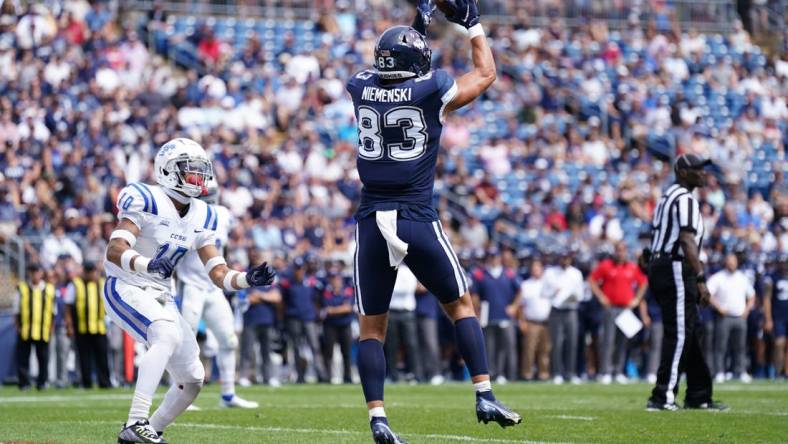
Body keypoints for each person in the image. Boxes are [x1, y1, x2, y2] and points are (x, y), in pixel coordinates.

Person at [345, 1, 521, 441]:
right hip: (414, 216)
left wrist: (418, 25)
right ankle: (483, 392)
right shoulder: (431, 89)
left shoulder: (360, 86)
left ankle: (378, 419)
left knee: (372, 329)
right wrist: (473, 25)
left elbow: (396, 69)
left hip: (371, 220)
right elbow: (485, 74)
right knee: (461, 305)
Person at [103, 138, 275, 443]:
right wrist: (147, 266)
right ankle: (135, 422)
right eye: (190, 170)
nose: (198, 177)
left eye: (200, 170)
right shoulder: (146, 198)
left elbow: (219, 274)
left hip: (160, 295)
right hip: (125, 285)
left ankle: (148, 432)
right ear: (168, 171)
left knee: (193, 379)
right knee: (166, 333)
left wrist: (248, 279)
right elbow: (115, 250)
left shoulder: (204, 214)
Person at [646, 153, 727, 411]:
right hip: (676, 266)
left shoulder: (667, 196)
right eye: (697, 169)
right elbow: (686, 240)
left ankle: (699, 394)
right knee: (680, 332)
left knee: (692, 329)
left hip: (662, 265)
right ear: (683, 173)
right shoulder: (685, 198)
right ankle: (662, 396)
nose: (703, 173)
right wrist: (700, 277)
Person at [174, 178, 258, 408]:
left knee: (228, 340)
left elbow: (225, 247)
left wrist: (230, 273)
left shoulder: (223, 215)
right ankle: (180, 394)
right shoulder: (186, 216)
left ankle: (228, 394)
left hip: (213, 287)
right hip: (191, 285)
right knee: (185, 342)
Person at [589, 241, 648, 384]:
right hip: (610, 308)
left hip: (625, 309)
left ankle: (618, 371)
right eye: (618, 250)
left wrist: (636, 299)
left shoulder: (632, 267)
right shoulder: (606, 265)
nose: (620, 253)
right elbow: (592, 279)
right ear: (614, 251)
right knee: (608, 340)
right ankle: (605, 372)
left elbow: (643, 282)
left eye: (623, 250)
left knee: (622, 342)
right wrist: (601, 297)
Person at [471, 248, 520, 384]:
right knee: (489, 347)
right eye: (491, 256)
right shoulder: (480, 274)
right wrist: (477, 309)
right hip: (488, 315)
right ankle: (491, 373)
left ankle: (508, 373)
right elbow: (474, 293)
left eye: (495, 256)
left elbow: (520, 291)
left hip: (505, 315)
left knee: (507, 346)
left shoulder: (509, 273)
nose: (493, 259)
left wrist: (514, 306)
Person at [707, 253, 756, 383]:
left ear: (737, 262)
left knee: (740, 347)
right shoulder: (718, 277)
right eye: (729, 261)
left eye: (733, 261)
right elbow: (708, 294)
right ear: (725, 262)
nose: (731, 263)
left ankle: (740, 371)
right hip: (724, 316)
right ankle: (720, 372)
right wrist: (719, 308)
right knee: (720, 346)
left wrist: (747, 310)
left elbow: (751, 296)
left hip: (740, 316)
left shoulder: (742, 278)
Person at [279, 256, 328, 383]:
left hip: (309, 318)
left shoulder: (312, 282)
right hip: (293, 318)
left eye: (300, 269)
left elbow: (318, 298)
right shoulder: (287, 283)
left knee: (315, 347)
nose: (299, 271)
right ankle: (300, 376)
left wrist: (317, 314)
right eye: (297, 269)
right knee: (296, 348)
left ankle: (321, 375)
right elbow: (282, 301)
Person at [64, 261, 111, 389]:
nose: (90, 274)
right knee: (84, 357)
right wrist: (69, 326)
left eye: (92, 271)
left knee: (102, 356)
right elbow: (67, 306)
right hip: (82, 327)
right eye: (88, 271)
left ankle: (105, 382)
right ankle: (86, 383)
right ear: (83, 271)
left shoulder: (102, 283)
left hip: (99, 327)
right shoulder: (75, 284)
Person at [543, 250, 584, 384]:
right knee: (557, 343)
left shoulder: (576, 273)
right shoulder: (550, 272)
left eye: (567, 258)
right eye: (563, 258)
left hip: (571, 309)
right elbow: (544, 292)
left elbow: (581, 293)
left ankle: (570, 373)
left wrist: (575, 297)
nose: (565, 260)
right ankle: (557, 373)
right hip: (556, 310)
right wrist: (553, 291)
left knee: (572, 342)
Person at [13, 263, 55, 390]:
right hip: (26, 330)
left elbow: (54, 312)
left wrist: (50, 328)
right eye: (32, 271)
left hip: (43, 330)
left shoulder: (49, 289)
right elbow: (16, 311)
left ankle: (42, 382)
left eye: (36, 271)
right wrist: (18, 327)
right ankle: (24, 383)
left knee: (43, 358)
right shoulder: (21, 288)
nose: (34, 274)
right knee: (23, 358)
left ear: (41, 273)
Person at [240, 273, 282, 387]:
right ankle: (244, 376)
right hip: (250, 320)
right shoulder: (245, 275)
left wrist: (260, 295)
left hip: (267, 320)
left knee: (267, 351)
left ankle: (268, 377)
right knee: (247, 351)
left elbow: (277, 297)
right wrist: (267, 297)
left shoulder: (269, 277)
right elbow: (246, 298)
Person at [386, 264, 422, 383]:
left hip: (407, 312)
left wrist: (396, 288)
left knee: (411, 344)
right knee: (392, 345)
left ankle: (415, 374)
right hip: (392, 311)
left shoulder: (409, 270)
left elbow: (408, 289)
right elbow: (391, 289)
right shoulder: (390, 269)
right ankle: (393, 375)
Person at [519, 259, 551, 381]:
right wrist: (522, 321)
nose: (535, 270)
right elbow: (522, 305)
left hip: (546, 322)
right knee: (529, 349)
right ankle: (527, 374)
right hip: (531, 321)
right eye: (534, 268)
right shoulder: (526, 284)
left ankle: (544, 373)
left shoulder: (547, 284)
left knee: (545, 349)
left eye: (538, 267)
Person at [320, 272, 355, 384]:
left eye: (337, 279)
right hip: (330, 325)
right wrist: (340, 308)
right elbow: (326, 308)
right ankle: (328, 377)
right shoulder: (326, 292)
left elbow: (348, 308)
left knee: (346, 352)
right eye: (333, 279)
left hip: (345, 324)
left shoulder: (347, 290)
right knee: (328, 352)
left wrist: (333, 310)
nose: (335, 281)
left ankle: (348, 377)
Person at [763, 255, 788, 379]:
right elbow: (767, 299)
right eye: (782, 262)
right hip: (778, 316)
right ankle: (777, 372)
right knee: (779, 343)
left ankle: (786, 373)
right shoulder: (772, 277)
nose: (784, 265)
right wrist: (768, 319)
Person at [415, 286, 443, 385]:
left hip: (428, 311)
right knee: (415, 345)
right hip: (412, 310)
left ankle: (435, 373)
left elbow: (423, 287)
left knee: (430, 343)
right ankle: (419, 374)